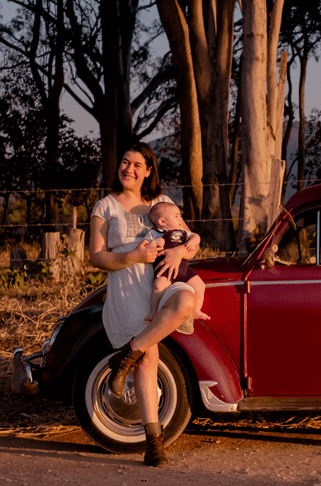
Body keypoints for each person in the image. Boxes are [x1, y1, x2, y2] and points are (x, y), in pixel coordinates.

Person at [89, 142, 197, 467]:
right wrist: (133, 256)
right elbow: (96, 257)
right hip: (126, 289)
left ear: (148, 171)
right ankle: (154, 443)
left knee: (187, 301)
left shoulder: (162, 203)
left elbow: (190, 240)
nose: (129, 169)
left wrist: (179, 252)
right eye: (125, 162)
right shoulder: (105, 206)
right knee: (149, 359)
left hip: (162, 282)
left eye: (137, 164)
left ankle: (126, 355)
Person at [145, 202, 210, 323]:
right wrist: (158, 242)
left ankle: (196, 310)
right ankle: (153, 311)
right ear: (162, 222)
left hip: (184, 270)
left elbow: (196, 236)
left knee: (200, 286)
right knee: (158, 287)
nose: (181, 219)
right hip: (166, 270)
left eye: (180, 215)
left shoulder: (183, 233)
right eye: (176, 216)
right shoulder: (155, 233)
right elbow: (148, 244)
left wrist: (194, 240)